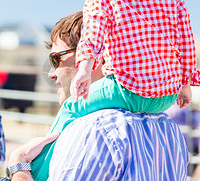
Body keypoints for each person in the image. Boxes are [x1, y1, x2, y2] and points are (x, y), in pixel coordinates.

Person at [1, 11, 189, 180]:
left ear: (93, 57)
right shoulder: (169, 128)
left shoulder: (91, 130)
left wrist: (19, 168)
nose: (51, 72)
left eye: (56, 59)